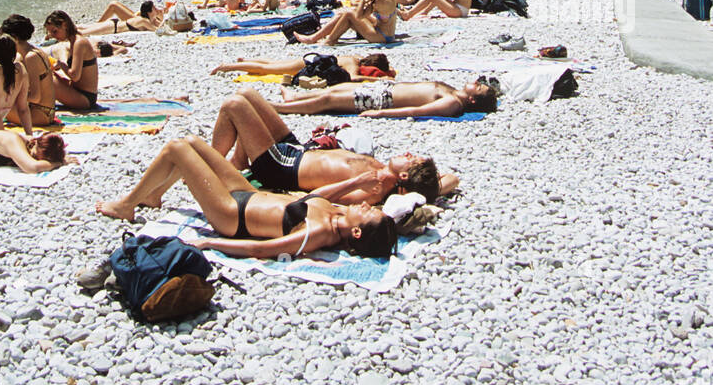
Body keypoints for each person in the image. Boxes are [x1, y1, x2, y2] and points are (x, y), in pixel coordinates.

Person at [95, 136, 398, 259]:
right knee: (192, 143)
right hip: (250, 195)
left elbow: (262, 248)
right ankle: (155, 194)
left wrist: (209, 243)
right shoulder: (335, 213)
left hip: (232, 214)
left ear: (356, 231)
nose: (364, 205)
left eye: (369, 212)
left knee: (177, 148)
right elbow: (312, 198)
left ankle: (126, 206)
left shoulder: (319, 233)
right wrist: (356, 181)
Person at [210, 87, 458, 203]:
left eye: (411, 159)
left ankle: (211, 169)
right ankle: (237, 164)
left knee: (234, 105)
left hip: (282, 167)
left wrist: (356, 182)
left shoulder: (372, 192)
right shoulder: (384, 172)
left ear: (404, 174)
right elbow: (451, 179)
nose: (408, 152)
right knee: (248, 94)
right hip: (298, 150)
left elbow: (312, 199)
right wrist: (424, 191)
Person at [274, 77, 498, 120]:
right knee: (335, 90)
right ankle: (295, 97)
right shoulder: (453, 91)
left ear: (473, 101)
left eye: (478, 88)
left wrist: (380, 113)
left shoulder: (453, 102)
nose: (475, 83)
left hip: (384, 100)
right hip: (385, 89)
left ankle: (279, 108)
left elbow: (416, 111)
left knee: (329, 100)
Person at [299, 0, 398, 46]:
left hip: (383, 36)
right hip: (384, 30)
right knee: (345, 12)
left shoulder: (378, 1)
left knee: (349, 14)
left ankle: (329, 41)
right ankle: (314, 38)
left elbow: (359, 16)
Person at [0, 14, 57, 129]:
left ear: (13, 37)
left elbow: (35, 97)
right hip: (44, 112)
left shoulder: (31, 57)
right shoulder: (34, 51)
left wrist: (10, 97)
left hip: (40, 115)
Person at [43, 10, 100, 110]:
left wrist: (61, 65)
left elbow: (75, 76)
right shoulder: (74, 41)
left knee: (45, 79)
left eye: (55, 31)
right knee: (46, 74)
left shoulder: (79, 43)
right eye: (51, 33)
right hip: (77, 90)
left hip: (85, 98)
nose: (53, 35)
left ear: (64, 25)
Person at [211, 51, 395, 81]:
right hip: (309, 64)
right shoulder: (353, 64)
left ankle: (243, 62)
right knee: (267, 69)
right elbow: (354, 78)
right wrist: (374, 79)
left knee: (273, 64)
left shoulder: (355, 57)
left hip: (311, 60)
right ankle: (228, 67)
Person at [81, 0, 164, 35]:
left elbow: (159, 27)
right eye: (154, 8)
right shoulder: (144, 21)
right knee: (83, 32)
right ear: (149, 12)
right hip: (112, 26)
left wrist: (162, 17)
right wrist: (163, 18)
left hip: (113, 25)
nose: (156, 9)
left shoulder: (147, 20)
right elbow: (158, 31)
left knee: (83, 28)